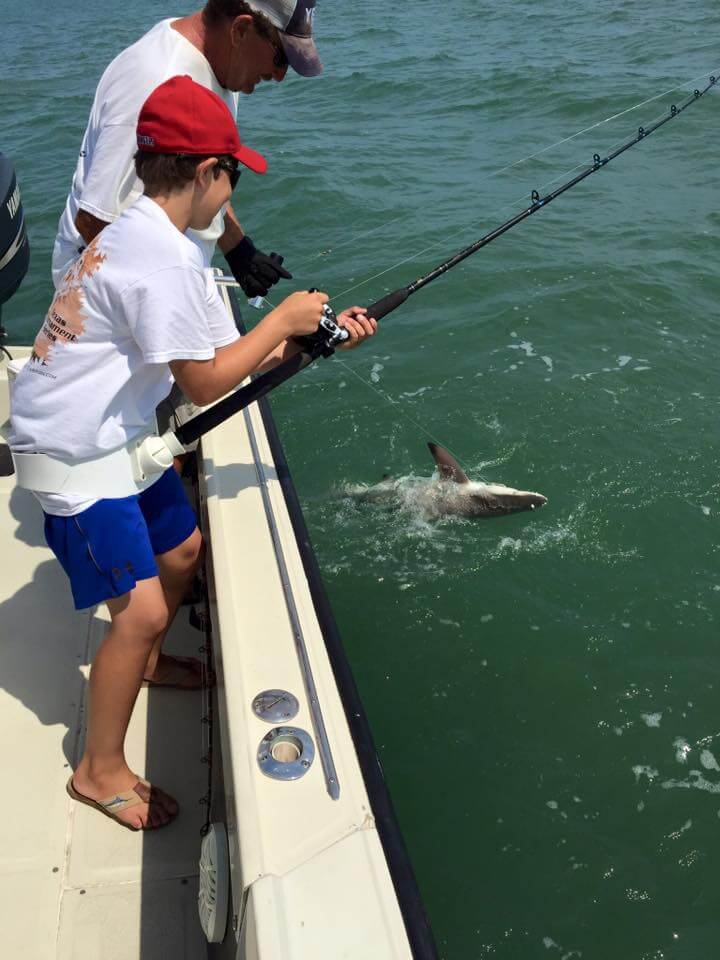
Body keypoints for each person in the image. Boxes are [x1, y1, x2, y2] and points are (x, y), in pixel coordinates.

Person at [9, 75, 377, 831]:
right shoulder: (165, 260)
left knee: (181, 550)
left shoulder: (145, 232)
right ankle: (97, 769)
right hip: (72, 455)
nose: (232, 192)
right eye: (232, 173)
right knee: (141, 611)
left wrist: (310, 337)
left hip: (113, 437)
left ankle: (141, 666)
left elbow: (215, 352)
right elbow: (207, 383)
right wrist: (279, 320)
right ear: (208, 173)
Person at [53, 0, 322, 296]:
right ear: (241, 30)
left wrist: (238, 249)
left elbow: (201, 174)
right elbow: (95, 220)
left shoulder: (222, 66)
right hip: (109, 296)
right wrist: (169, 304)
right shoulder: (155, 79)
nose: (280, 76)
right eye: (280, 57)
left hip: (167, 277)